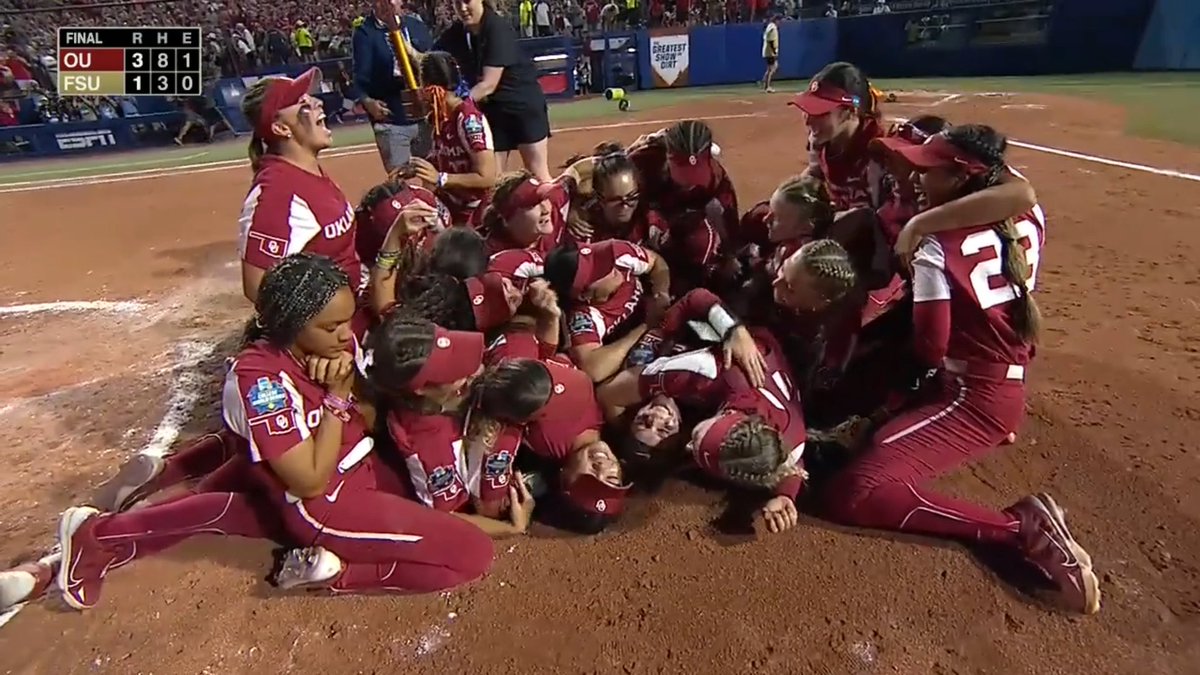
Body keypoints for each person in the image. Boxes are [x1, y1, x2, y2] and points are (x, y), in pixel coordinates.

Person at [49, 254, 495, 609]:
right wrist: (336, 398)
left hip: (352, 464)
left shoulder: (328, 344)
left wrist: (347, 391)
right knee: (471, 554)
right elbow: (309, 481)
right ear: (291, 328)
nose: (346, 335)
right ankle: (335, 572)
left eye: (344, 322)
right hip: (325, 502)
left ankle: (110, 534)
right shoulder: (261, 381)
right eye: (331, 327)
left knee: (229, 508)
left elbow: (370, 415)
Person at [823, 125, 1100, 615]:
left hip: (973, 396)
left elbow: (931, 349)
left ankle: (1020, 530)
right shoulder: (1021, 211)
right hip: (1001, 373)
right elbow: (1016, 186)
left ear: (961, 177)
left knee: (855, 490)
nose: (915, 178)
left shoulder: (936, 246)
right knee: (873, 425)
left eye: (930, 171)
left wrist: (917, 236)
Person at [235, 69, 359, 303]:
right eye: (302, 103)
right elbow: (258, 286)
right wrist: (324, 325)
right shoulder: (278, 192)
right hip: (336, 327)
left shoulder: (305, 170)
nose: (317, 102)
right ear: (281, 128)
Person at [419, 0, 554, 181]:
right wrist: (399, 41)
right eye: (457, 3)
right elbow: (429, 60)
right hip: (492, 111)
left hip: (522, 107)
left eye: (467, 1)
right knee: (493, 179)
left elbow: (488, 85)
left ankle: (555, 207)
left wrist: (459, 106)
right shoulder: (458, 33)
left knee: (537, 172)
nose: (463, 8)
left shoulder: (497, 28)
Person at [544, 239, 672, 382]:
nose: (612, 266)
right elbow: (593, 370)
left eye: (601, 259)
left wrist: (661, 292)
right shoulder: (582, 316)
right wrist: (646, 326)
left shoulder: (617, 253)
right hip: (640, 347)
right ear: (585, 294)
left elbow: (656, 262)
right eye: (600, 270)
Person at [354, 0, 436, 172]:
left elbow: (434, 64)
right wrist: (367, 101)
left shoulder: (416, 26)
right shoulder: (364, 33)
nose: (389, 3)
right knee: (399, 183)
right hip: (392, 120)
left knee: (436, 176)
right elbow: (360, 78)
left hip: (426, 118)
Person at [480, 170, 573, 255]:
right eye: (533, 205)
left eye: (544, 198)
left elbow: (581, 169)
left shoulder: (555, 207)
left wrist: (575, 205)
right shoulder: (497, 256)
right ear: (506, 220)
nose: (545, 210)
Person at [761, 14, 779, 94]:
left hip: (768, 50)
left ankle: (765, 83)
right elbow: (771, 40)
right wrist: (774, 51)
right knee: (772, 68)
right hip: (770, 51)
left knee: (771, 68)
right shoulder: (773, 28)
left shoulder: (770, 26)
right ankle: (767, 86)